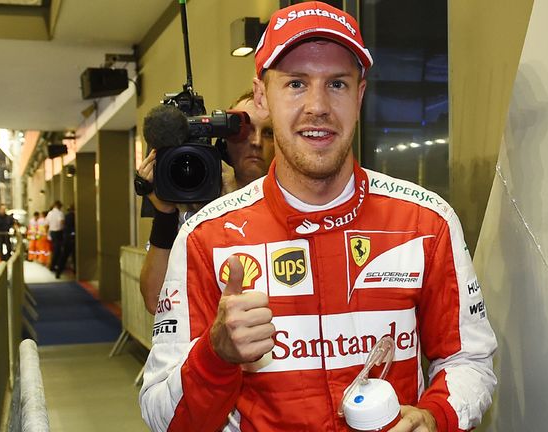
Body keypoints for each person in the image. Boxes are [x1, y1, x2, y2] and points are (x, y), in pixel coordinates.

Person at [139, 3, 497, 431]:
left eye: (338, 84)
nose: (318, 106)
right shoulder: (205, 237)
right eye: (295, 83)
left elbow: (468, 361)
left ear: (360, 95)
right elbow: (162, 416)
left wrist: (433, 415)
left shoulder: (426, 222)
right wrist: (215, 356)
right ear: (261, 97)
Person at [137, 90, 274, 314]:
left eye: (268, 132)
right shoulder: (194, 205)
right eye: (244, 131)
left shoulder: (291, 202)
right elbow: (155, 300)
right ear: (224, 140)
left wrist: (231, 200)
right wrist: (164, 214)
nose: (257, 142)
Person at [55, 205, 76, 278]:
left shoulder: (66, 216)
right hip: (72, 239)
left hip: (67, 239)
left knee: (64, 256)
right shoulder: (73, 217)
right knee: (74, 256)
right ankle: (76, 272)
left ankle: (58, 272)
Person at [46, 201, 64, 271]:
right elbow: (61, 222)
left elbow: (47, 224)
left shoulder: (50, 213)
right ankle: (54, 265)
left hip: (52, 233)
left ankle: (54, 264)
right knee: (58, 250)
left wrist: (48, 233)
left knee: (54, 249)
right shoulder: (60, 213)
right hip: (58, 232)